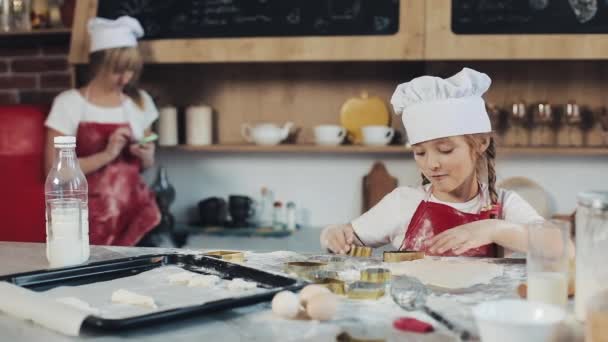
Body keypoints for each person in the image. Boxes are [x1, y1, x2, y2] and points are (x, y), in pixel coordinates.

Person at [320, 68, 545, 257]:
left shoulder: (505, 205)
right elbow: (346, 237)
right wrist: (332, 234)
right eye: (420, 152)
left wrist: (494, 229)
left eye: (445, 150)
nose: (431, 164)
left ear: (481, 143)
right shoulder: (403, 203)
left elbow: (563, 249)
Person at [44, 16, 160, 246]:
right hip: (89, 220)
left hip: (138, 216)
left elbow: (147, 166)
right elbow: (52, 171)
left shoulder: (140, 103)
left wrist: (146, 155)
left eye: (131, 71)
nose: (126, 78)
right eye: (118, 71)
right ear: (99, 65)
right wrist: (107, 154)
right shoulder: (69, 104)